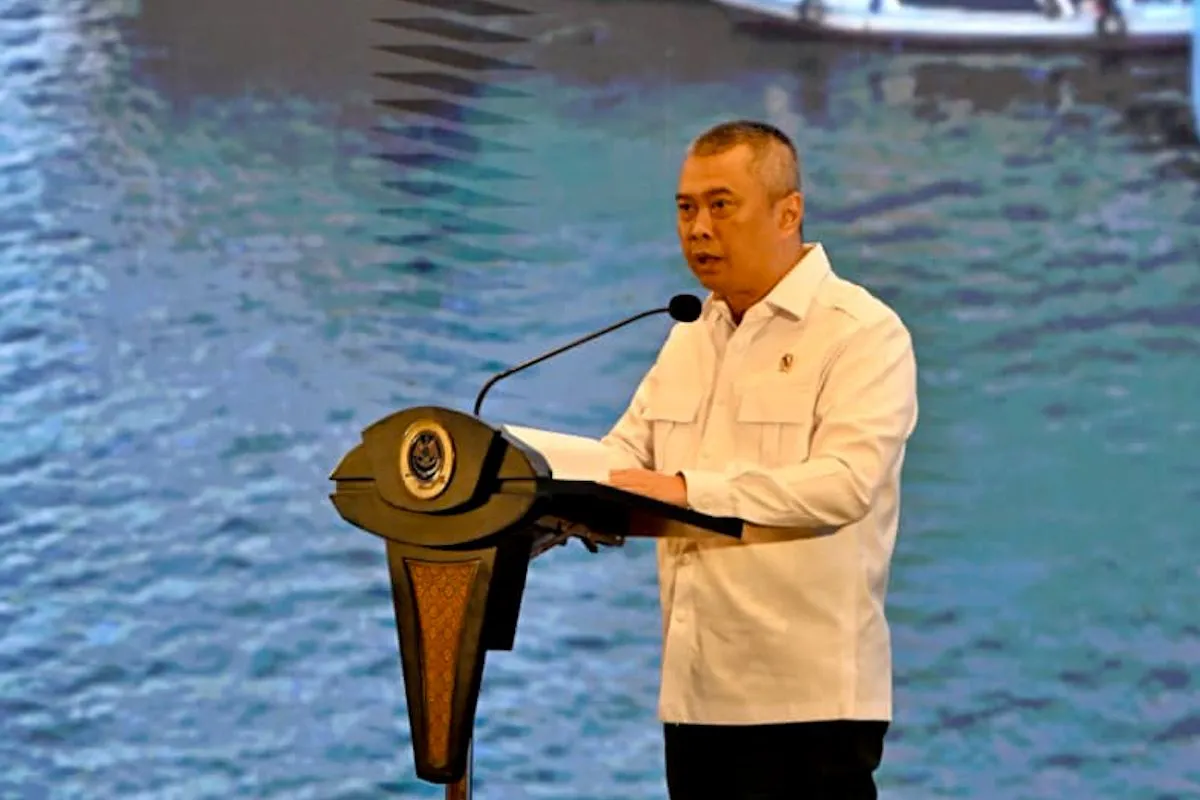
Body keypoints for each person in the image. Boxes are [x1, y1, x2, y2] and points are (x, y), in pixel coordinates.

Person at [601, 120, 919, 800]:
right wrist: (547, 491)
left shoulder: (862, 332)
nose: (699, 229)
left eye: (721, 205)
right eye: (686, 208)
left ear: (788, 213)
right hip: (696, 700)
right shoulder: (691, 332)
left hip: (807, 707)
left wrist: (687, 490)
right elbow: (623, 456)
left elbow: (844, 484)